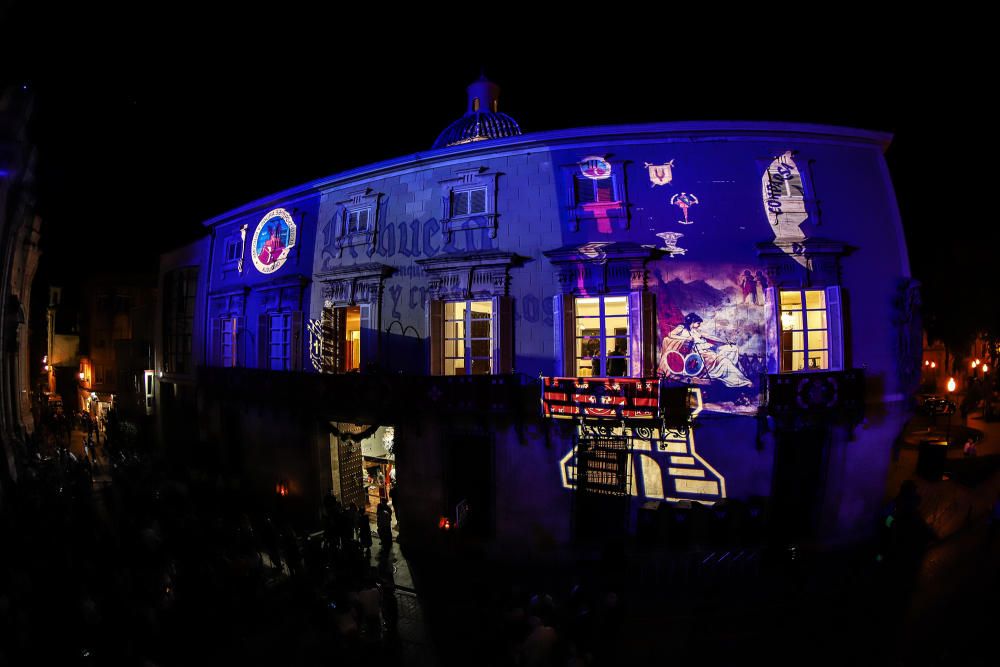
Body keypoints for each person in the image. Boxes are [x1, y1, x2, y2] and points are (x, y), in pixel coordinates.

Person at [659, 313, 752, 387]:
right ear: (692, 321)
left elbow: (709, 336)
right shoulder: (682, 328)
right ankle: (741, 382)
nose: (699, 325)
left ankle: (734, 377)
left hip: (707, 349)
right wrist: (685, 339)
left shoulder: (695, 331)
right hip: (698, 353)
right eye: (698, 323)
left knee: (731, 349)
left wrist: (725, 342)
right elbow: (670, 335)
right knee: (724, 361)